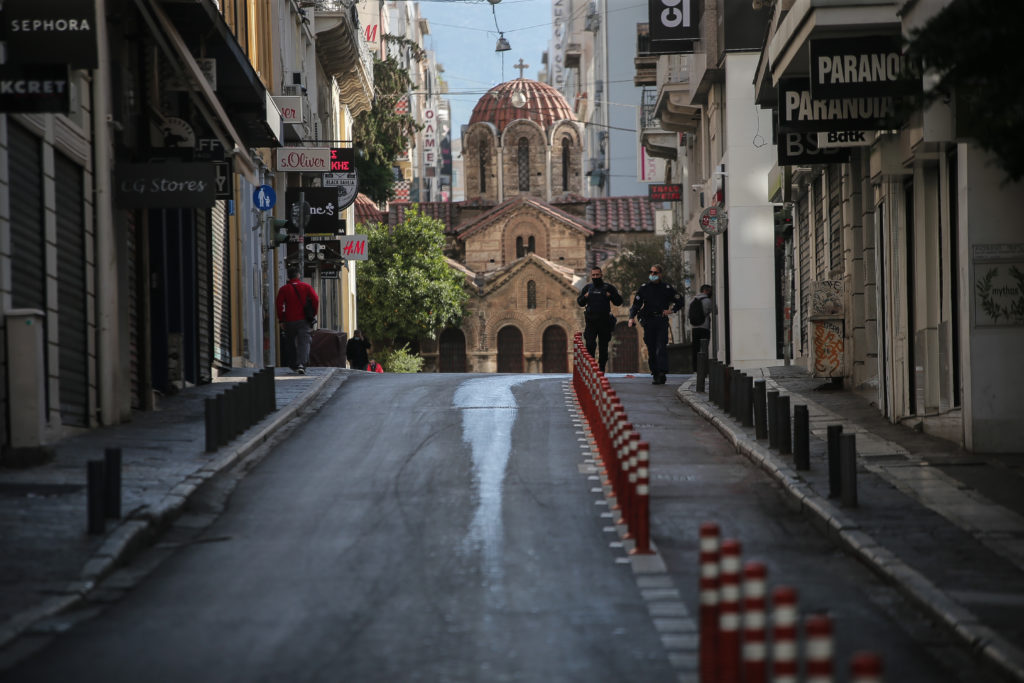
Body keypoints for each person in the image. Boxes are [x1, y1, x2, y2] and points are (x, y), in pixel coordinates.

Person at [628, 264, 685, 385]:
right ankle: (655, 373)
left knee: (661, 346)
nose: (652, 275)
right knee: (652, 348)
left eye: (655, 273)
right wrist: (631, 317)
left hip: (661, 320)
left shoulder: (667, 288)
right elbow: (636, 304)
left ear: (660, 274)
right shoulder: (644, 288)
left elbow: (680, 300)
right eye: (651, 272)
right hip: (648, 321)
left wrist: (672, 310)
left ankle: (662, 373)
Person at [576, 266, 623, 373]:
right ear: (591, 276)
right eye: (593, 275)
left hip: (604, 322)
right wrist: (586, 296)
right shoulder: (587, 288)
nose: (596, 277)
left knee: (603, 347)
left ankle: (601, 368)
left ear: (601, 275)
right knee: (590, 345)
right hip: (591, 322)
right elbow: (580, 302)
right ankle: (591, 367)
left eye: (597, 275)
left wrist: (610, 295)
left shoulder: (608, 287)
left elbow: (619, 301)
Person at [275, 266, 318, 374]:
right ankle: (301, 364)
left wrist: (281, 319)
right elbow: (315, 299)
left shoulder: (283, 289)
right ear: (298, 275)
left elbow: (279, 305)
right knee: (304, 342)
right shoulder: (306, 287)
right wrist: (313, 313)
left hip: (289, 320)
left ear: (288, 277)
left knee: (291, 342)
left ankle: (293, 363)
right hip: (303, 320)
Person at [689, 284, 717, 372]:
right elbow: (715, 311)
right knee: (704, 348)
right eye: (710, 291)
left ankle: (696, 369)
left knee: (695, 349)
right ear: (706, 291)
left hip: (694, 328)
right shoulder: (708, 301)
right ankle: (704, 369)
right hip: (704, 328)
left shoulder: (692, 300)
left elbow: (688, 315)